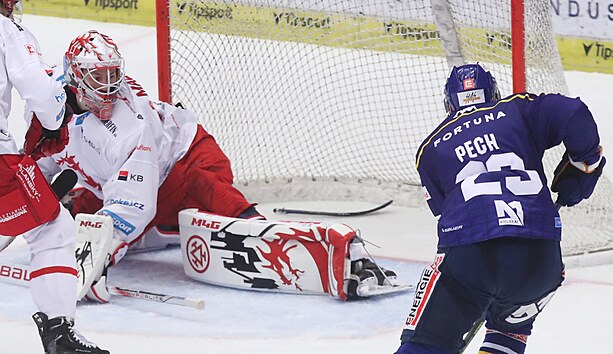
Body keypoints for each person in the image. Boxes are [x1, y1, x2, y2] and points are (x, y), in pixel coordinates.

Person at [36, 30, 400, 303]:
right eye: (100, 78)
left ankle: (259, 228)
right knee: (74, 211)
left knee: (200, 187)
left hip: (186, 156)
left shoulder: (132, 125)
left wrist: (99, 257)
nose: (110, 87)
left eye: (114, 76)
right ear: (75, 77)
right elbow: (42, 159)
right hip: (124, 180)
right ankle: (163, 232)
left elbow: (133, 202)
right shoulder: (50, 93)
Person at [395, 63, 606, 354]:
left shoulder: (430, 149)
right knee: (507, 336)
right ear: (494, 94)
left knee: (424, 346)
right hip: (541, 259)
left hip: (473, 253)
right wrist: (585, 165)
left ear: (448, 104)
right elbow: (574, 113)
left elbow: (452, 212)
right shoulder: (518, 109)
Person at [0, 2, 108, 353]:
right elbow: (45, 99)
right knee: (53, 228)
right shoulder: (8, 32)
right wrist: (56, 117)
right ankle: (59, 335)